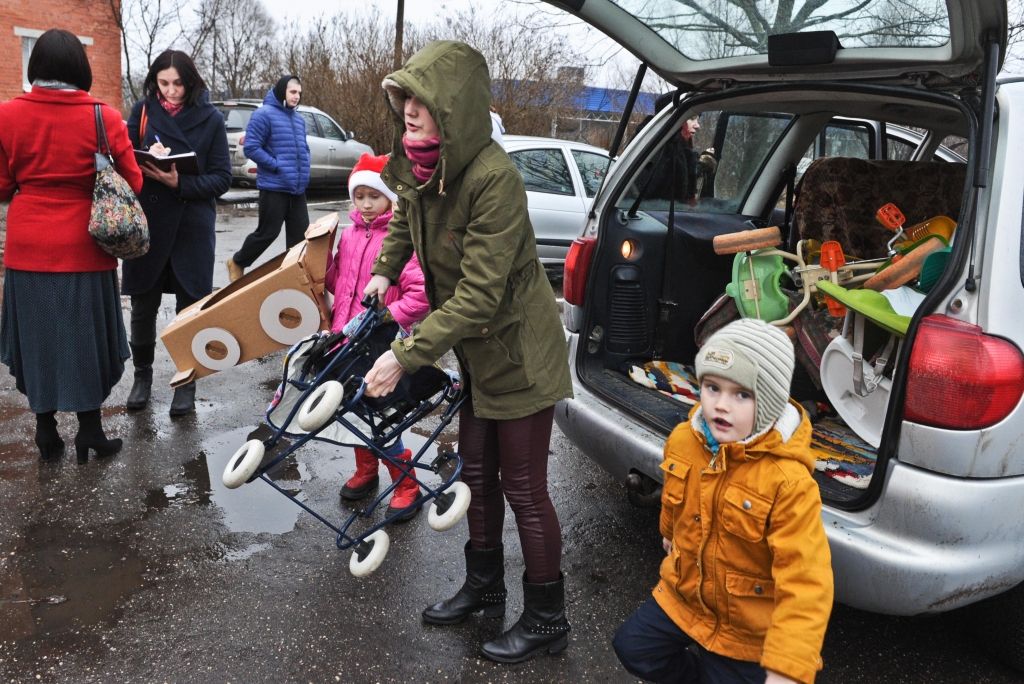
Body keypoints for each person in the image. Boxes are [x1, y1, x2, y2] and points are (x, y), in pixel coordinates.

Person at [360, 40, 572, 663]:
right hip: (477, 358)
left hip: (517, 354)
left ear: (451, 107)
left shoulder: (494, 179)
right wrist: (383, 270)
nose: (408, 111)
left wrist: (406, 355)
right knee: (475, 475)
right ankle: (484, 588)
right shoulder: (424, 164)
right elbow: (405, 218)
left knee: (525, 487)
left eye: (419, 101)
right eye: (402, 101)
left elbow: (480, 297)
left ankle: (546, 618)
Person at [612, 318, 834, 684]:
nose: (721, 406)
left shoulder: (787, 481)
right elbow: (672, 496)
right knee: (633, 647)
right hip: (685, 597)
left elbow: (807, 580)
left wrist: (788, 667)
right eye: (712, 388)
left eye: (741, 394)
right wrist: (669, 533)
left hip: (745, 629)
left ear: (770, 402)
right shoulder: (686, 439)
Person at [0, 28, 143, 463]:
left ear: (35, 68)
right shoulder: (105, 117)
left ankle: (46, 433)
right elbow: (132, 182)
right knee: (85, 340)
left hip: (28, 250)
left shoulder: (7, 116)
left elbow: (4, 185)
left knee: (39, 340)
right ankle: (91, 431)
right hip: (86, 249)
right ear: (80, 68)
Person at [123, 49, 231, 416]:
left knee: (190, 309)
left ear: (191, 82)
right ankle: (142, 377)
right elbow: (125, 163)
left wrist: (178, 181)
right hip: (149, 224)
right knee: (143, 305)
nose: (170, 91)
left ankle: (186, 381)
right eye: (163, 83)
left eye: (178, 84)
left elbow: (222, 178)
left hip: (191, 227)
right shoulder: (141, 112)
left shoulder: (211, 118)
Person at [327, 152, 429, 520]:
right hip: (346, 341)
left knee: (381, 416)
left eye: (375, 196)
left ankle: (406, 485)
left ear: (390, 199)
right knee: (351, 409)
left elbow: (421, 296)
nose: (367, 205)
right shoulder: (350, 235)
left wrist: (387, 317)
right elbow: (338, 284)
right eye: (359, 197)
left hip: (379, 344)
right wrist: (318, 262)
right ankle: (366, 471)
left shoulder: (400, 241)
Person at [225, 75, 310, 282]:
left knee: (300, 238)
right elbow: (252, 147)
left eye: (299, 92)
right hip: (274, 186)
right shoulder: (263, 114)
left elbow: (302, 150)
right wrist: (276, 165)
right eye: (292, 92)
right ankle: (238, 262)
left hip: (296, 188)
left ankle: (294, 277)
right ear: (282, 91)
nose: (296, 96)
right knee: (267, 233)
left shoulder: (298, 119)